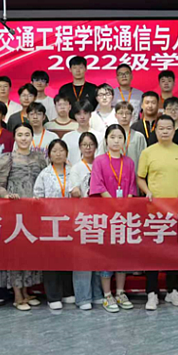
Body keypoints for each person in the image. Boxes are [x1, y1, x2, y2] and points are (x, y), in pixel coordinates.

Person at [137, 115, 178, 310]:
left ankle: (172, 290)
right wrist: (147, 192)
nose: (165, 131)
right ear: (156, 130)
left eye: (168, 128)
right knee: (152, 252)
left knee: (173, 252)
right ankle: (151, 292)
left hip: (175, 210)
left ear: (174, 130)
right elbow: (140, 177)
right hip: (153, 211)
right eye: (161, 128)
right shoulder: (148, 152)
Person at [0, 123, 47, 311]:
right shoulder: (7, 158)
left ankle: (26, 290)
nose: (23, 138)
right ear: (14, 137)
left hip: (34, 211)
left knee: (30, 252)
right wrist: (6, 196)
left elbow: (44, 179)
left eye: (27, 134)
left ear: (32, 137)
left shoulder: (40, 157)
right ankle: (17, 295)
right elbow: (0, 185)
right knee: (15, 252)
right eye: (20, 135)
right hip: (13, 211)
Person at [90, 125, 139, 311]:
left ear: (124, 141)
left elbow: (132, 187)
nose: (116, 141)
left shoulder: (129, 162)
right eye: (112, 137)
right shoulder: (99, 161)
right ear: (106, 140)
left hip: (124, 216)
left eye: (120, 137)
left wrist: (125, 205)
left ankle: (120, 292)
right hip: (105, 215)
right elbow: (98, 186)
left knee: (122, 255)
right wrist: (114, 204)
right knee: (107, 256)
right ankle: (107, 295)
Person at [33, 140, 77, 311]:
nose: (58, 154)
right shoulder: (44, 174)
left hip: (70, 222)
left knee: (68, 258)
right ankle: (53, 296)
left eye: (61, 150)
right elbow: (37, 195)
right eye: (55, 151)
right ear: (49, 155)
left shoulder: (73, 172)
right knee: (51, 260)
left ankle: (67, 291)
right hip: (50, 222)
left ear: (66, 153)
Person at [68, 132, 103, 310]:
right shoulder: (76, 168)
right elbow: (73, 189)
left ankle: (97, 294)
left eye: (91, 144)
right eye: (84, 145)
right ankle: (83, 297)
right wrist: (75, 190)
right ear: (80, 148)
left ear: (96, 146)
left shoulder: (101, 164)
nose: (88, 148)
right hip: (83, 217)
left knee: (99, 258)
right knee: (83, 258)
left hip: (101, 217)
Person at [62, 100, 104, 166]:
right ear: (75, 116)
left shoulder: (99, 136)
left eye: (85, 113)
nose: (82, 117)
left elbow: (101, 158)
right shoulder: (67, 137)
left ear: (90, 114)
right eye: (79, 114)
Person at [110, 102, 148, 171]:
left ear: (132, 115)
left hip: (134, 175)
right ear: (116, 115)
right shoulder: (110, 136)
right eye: (121, 113)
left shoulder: (139, 137)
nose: (124, 116)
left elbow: (144, 159)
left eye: (127, 113)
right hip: (113, 175)